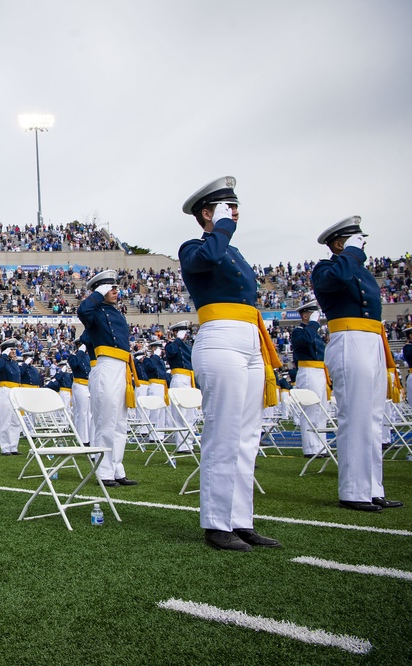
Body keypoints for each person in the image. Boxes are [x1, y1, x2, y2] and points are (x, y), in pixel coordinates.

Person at [178, 176, 281, 551]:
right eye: (225, 207)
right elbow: (207, 257)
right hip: (220, 337)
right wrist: (220, 227)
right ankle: (217, 523)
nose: (234, 214)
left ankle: (241, 520)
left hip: (249, 339)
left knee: (247, 437)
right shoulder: (195, 247)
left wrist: (223, 228)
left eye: (234, 207)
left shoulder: (233, 252)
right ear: (207, 213)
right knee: (223, 433)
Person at [311, 216, 403, 512]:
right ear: (340, 243)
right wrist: (350, 253)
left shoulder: (358, 270)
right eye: (354, 241)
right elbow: (335, 279)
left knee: (374, 418)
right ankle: (353, 490)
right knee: (356, 416)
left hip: (373, 341)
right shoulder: (327, 268)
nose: (362, 246)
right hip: (349, 339)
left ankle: (373, 487)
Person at [79, 270, 137, 488]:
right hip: (106, 366)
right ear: (100, 290)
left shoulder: (116, 312)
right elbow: (83, 311)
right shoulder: (95, 312)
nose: (115, 291)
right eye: (109, 288)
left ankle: (117, 467)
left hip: (122, 368)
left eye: (115, 287)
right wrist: (96, 294)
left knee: (121, 422)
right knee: (106, 421)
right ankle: (104, 471)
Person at [290, 301, 331, 458]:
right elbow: (305, 341)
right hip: (308, 371)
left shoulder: (313, 332)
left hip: (319, 371)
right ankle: (310, 447)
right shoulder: (299, 331)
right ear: (305, 315)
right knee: (310, 410)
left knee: (322, 411)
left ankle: (321, 445)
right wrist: (312, 324)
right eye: (313, 315)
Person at [165, 322, 196, 453]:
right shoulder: (171, 345)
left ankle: (189, 443)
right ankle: (181, 445)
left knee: (190, 414)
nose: (185, 335)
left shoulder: (187, 347)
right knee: (180, 414)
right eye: (182, 332)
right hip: (178, 378)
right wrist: (176, 340)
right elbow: (171, 353)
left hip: (189, 379)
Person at [0, 339, 24, 456]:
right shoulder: (2, 361)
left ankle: (13, 446)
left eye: (14, 349)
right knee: (5, 419)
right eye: (11, 349)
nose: (14, 351)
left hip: (16, 390)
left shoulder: (14, 362)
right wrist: (4, 355)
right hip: (5, 390)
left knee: (15, 420)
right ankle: (5, 447)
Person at [68, 336, 92, 444]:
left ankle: (89, 437)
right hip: (79, 385)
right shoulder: (74, 356)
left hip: (88, 385)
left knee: (89, 413)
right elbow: (74, 364)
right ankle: (82, 439)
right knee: (81, 412)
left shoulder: (87, 357)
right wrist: (80, 351)